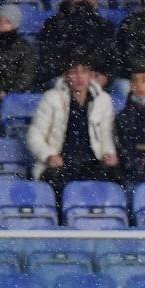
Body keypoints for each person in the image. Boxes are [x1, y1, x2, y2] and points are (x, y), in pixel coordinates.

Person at [26, 55, 119, 200]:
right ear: (66, 75)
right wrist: (49, 155)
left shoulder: (103, 99)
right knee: (58, 182)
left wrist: (109, 153)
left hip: (92, 161)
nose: (79, 77)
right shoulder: (51, 98)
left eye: (84, 72)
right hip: (61, 162)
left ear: (90, 75)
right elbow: (34, 135)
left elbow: (106, 133)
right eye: (74, 72)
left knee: (115, 177)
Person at [35, 0, 117, 89]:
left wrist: (104, 75)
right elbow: (47, 57)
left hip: (94, 79)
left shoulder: (104, 26)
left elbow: (110, 57)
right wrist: (71, 74)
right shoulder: (53, 24)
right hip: (61, 78)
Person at [0, 4, 37, 105]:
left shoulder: (23, 47)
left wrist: (12, 92)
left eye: (7, 22)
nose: (1, 24)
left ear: (14, 24)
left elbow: (27, 73)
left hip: (18, 96)